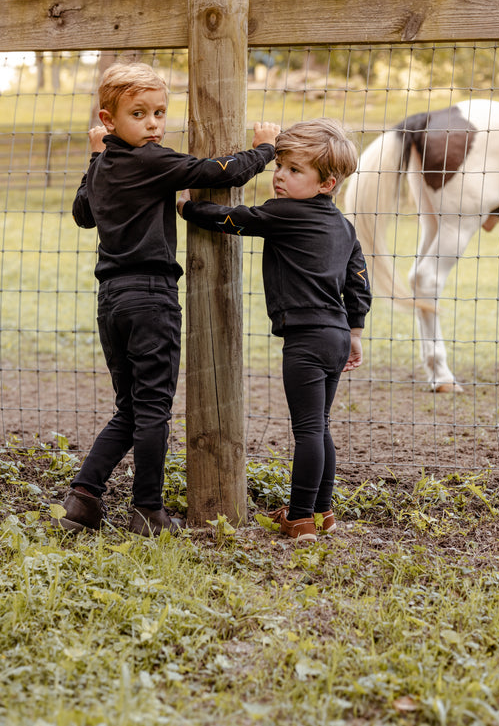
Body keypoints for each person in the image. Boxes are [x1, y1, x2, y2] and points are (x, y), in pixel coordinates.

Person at [54, 60, 279, 536]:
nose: (154, 124)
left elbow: (82, 214)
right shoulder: (153, 162)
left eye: (159, 112)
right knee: (153, 407)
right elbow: (218, 171)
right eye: (139, 114)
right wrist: (264, 148)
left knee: (131, 408)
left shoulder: (104, 167)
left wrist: (94, 157)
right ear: (109, 118)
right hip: (152, 298)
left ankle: (84, 497)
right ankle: (147, 510)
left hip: (111, 301)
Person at [177, 118, 371, 542]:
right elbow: (358, 277)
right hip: (336, 335)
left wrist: (189, 208)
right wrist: (355, 332)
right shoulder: (343, 225)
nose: (280, 176)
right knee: (319, 426)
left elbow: (235, 219)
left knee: (307, 429)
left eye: (294, 171)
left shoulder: (284, 213)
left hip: (305, 339)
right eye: (279, 166)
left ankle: (300, 517)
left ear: (327, 183)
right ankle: (322, 511)